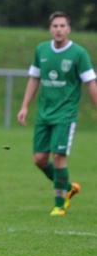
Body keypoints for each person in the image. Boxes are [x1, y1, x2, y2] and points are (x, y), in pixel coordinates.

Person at [17, 11, 97, 216]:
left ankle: (60, 204)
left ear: (69, 29)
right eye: (55, 26)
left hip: (66, 115)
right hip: (44, 114)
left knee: (59, 157)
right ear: (50, 29)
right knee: (39, 160)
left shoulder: (79, 54)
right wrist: (25, 106)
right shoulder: (42, 50)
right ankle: (68, 187)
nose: (59, 29)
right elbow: (34, 78)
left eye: (62, 26)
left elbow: (90, 83)